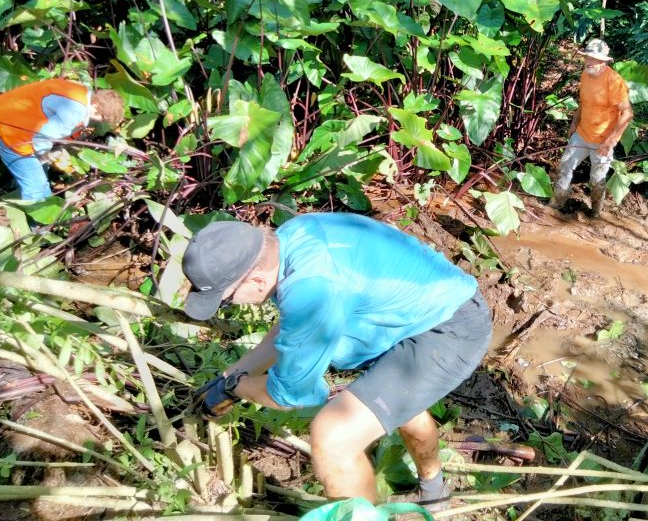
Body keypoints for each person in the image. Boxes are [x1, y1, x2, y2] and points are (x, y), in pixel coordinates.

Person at [183, 213, 492, 511]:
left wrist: (236, 387)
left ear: (257, 280)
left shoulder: (311, 287)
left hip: (449, 329)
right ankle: (435, 489)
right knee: (397, 403)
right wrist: (234, 374)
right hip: (411, 311)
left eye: (225, 300)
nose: (227, 307)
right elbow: (294, 327)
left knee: (333, 439)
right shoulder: (292, 237)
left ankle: (425, 490)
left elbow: (289, 394)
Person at [0, 78, 125, 201]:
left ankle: (12, 196)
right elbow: (43, 136)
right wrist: (44, 156)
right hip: (10, 130)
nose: (102, 121)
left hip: (3, 114)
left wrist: (55, 149)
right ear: (96, 106)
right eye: (103, 117)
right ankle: (38, 226)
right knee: (36, 187)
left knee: (40, 177)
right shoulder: (76, 110)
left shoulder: (80, 92)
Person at [549, 38, 633, 217]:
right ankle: (555, 205)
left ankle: (595, 212)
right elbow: (583, 102)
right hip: (582, 133)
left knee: (596, 180)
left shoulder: (614, 81)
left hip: (603, 139)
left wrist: (609, 142)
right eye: (587, 57)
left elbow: (627, 113)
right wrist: (574, 123)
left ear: (603, 61)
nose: (588, 61)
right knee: (565, 165)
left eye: (593, 58)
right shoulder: (586, 74)